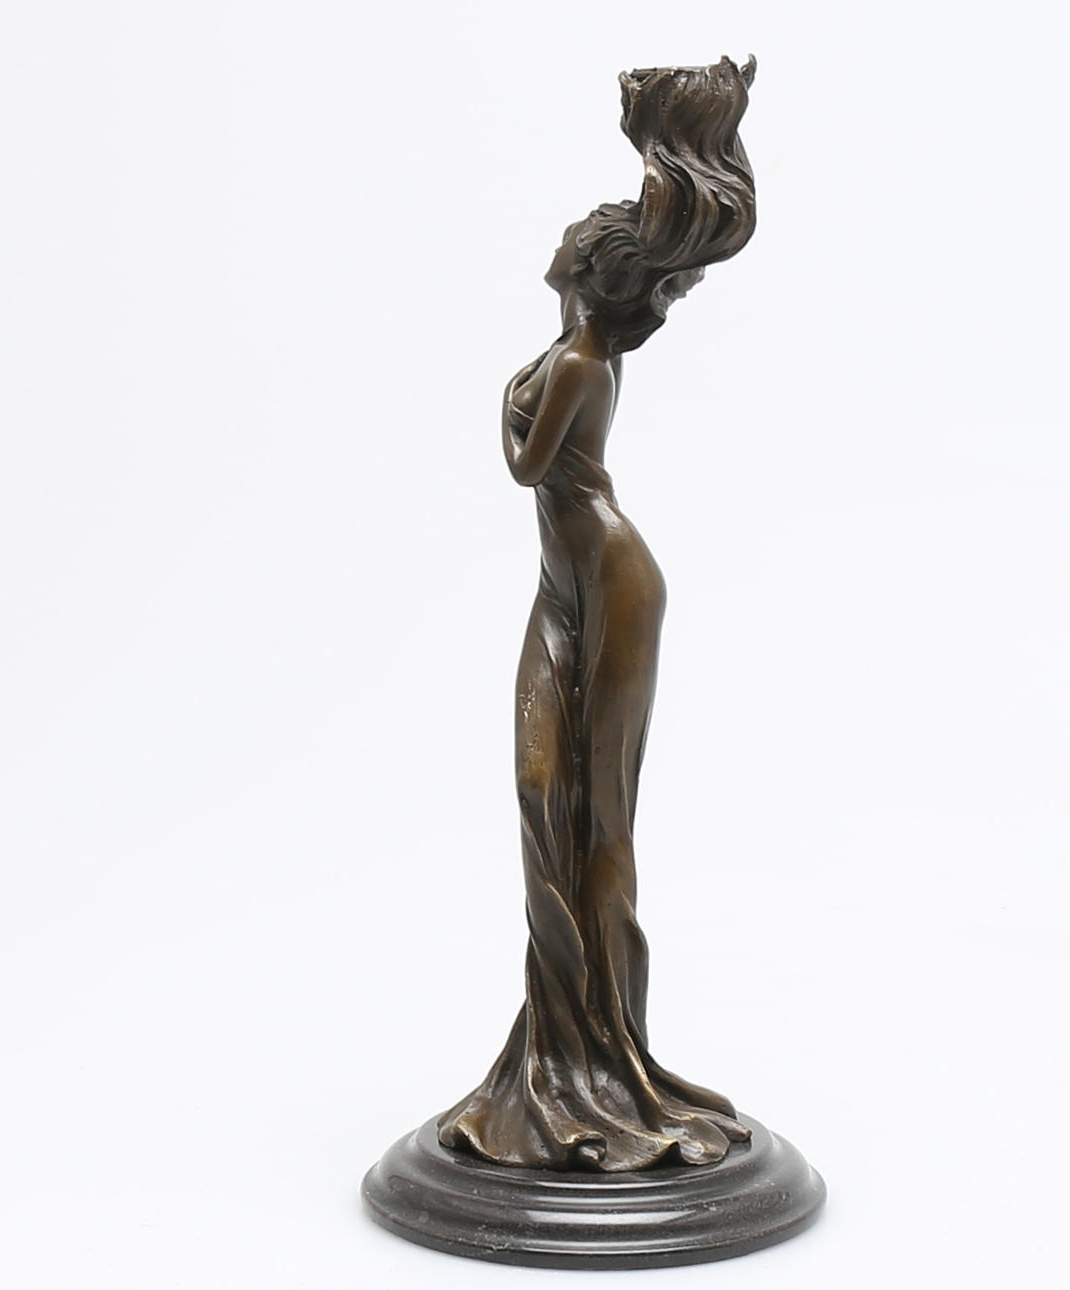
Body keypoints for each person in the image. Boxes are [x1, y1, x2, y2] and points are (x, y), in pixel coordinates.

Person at [437, 57, 758, 1172]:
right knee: (543, 787)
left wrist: (503, 399)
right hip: (563, 587)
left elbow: (528, 466)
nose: (563, 238)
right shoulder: (573, 354)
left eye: (576, 237)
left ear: (588, 267)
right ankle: (555, 1051)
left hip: (613, 580)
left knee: (601, 811)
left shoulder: (578, 361)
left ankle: (605, 1054)